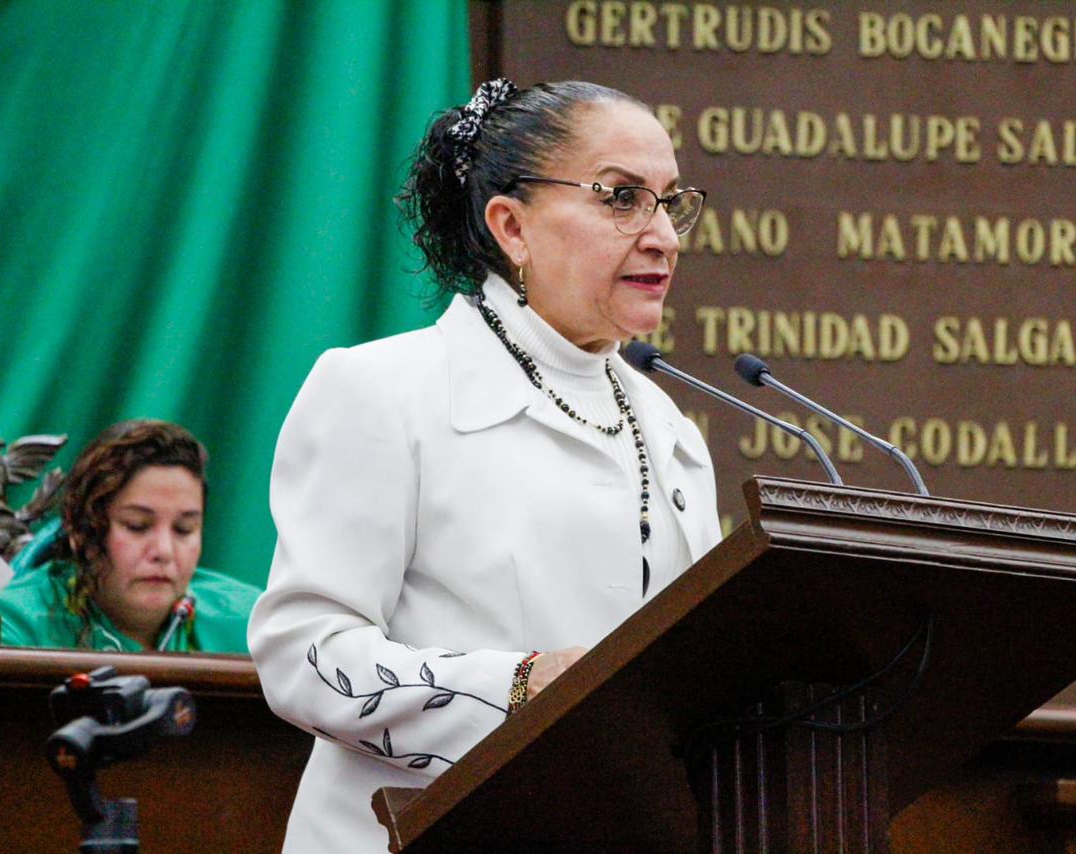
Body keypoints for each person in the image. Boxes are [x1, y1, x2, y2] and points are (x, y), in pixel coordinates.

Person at [247, 79, 722, 851]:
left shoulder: (669, 429)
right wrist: (522, 688)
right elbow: (304, 657)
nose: (664, 236)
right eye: (622, 198)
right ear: (512, 226)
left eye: (671, 203)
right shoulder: (383, 391)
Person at [0, 419, 258, 653]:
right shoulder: (11, 625)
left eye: (183, 529)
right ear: (80, 531)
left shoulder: (253, 624)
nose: (164, 551)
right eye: (137, 526)